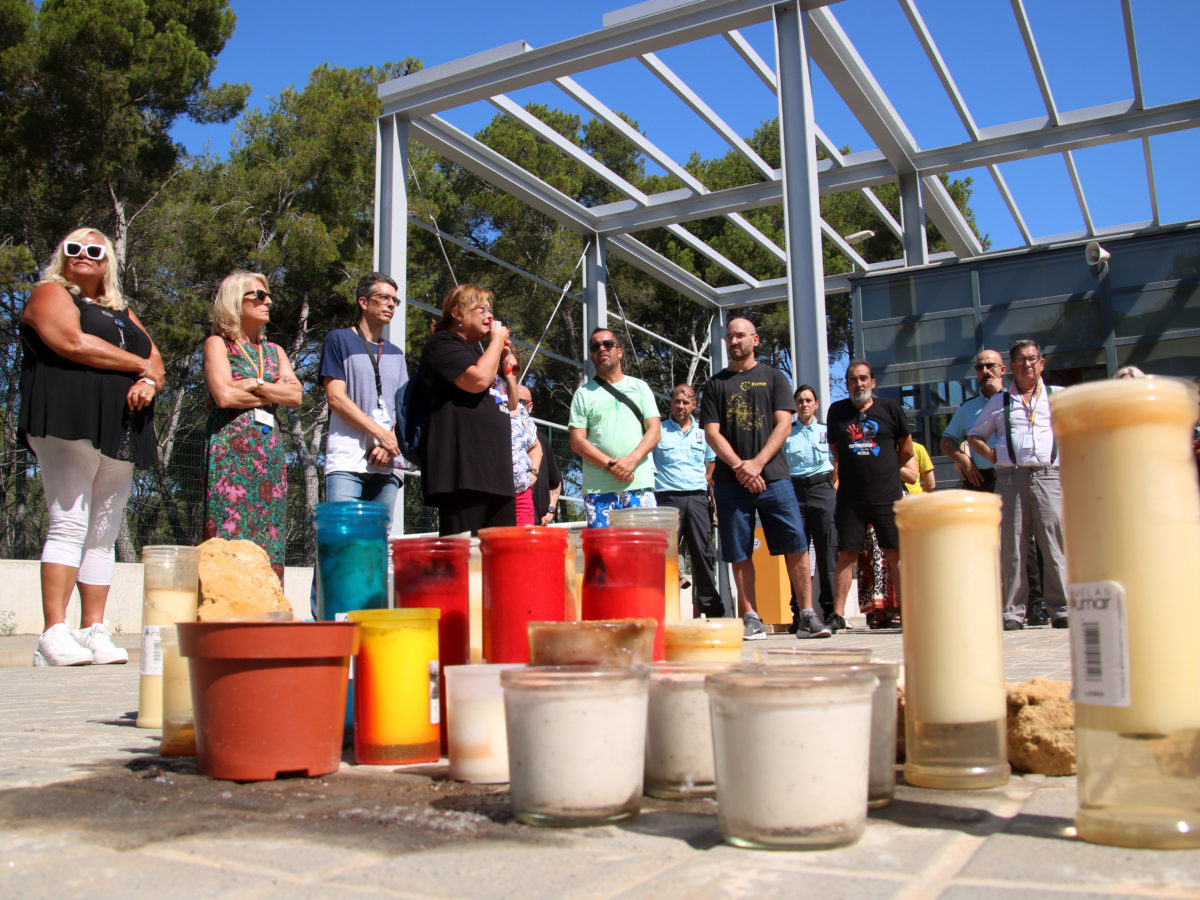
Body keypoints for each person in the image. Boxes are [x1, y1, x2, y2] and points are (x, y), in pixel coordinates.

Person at [19, 228, 164, 666]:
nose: (83, 255)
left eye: (94, 250)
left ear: (108, 263)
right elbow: (70, 341)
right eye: (74, 248)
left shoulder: (122, 310)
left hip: (120, 425)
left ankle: (93, 628)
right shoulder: (51, 292)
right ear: (61, 256)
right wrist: (140, 367)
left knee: (103, 532)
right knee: (69, 522)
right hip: (68, 418)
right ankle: (53, 632)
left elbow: (156, 360)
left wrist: (148, 378)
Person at [701, 318, 827, 640]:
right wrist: (742, 468)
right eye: (729, 337)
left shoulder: (774, 377)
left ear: (755, 340)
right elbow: (712, 433)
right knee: (739, 551)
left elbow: (784, 424)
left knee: (796, 544)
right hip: (731, 482)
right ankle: (751, 618)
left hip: (775, 478)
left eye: (740, 336)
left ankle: (807, 616)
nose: (734, 341)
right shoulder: (715, 384)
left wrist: (756, 464)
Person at [204, 272, 302, 581]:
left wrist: (254, 384)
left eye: (267, 295)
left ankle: (268, 615)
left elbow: (295, 395)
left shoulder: (275, 352)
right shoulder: (218, 344)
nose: (268, 301)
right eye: (258, 295)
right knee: (227, 532)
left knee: (269, 532)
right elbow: (223, 395)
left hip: (269, 454)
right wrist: (272, 390)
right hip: (231, 454)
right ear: (235, 301)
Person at [968, 339, 1069, 630]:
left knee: (1054, 543)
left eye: (1032, 358)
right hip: (1010, 477)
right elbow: (975, 435)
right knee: (1012, 545)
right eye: (1021, 360)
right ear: (1011, 367)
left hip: (1049, 474)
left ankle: (1061, 608)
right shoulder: (1000, 402)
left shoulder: (1057, 397)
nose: (1027, 364)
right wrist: (995, 455)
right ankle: (1013, 611)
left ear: (1042, 363)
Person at [418, 284, 515, 535]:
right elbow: (477, 381)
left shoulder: (476, 354)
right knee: (463, 559)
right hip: (465, 474)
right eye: (481, 309)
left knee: (501, 559)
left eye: (490, 310)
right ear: (459, 313)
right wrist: (495, 342)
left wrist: (502, 360)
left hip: (496, 474)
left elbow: (511, 404)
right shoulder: (442, 344)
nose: (489, 316)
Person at [826, 359, 914, 633]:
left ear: (873, 383)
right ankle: (838, 615)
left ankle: (909, 613)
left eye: (863, 378)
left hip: (887, 497)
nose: (858, 384)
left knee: (895, 553)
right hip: (851, 499)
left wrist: (884, 471)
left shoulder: (890, 409)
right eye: (853, 379)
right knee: (846, 555)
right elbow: (837, 451)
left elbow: (907, 450)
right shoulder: (837, 411)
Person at [317, 273, 409, 514]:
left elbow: (405, 406)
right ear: (364, 302)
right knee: (344, 540)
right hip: (347, 461)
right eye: (384, 298)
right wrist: (381, 433)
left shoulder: (397, 354)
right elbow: (335, 398)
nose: (391, 304)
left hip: (388, 464)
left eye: (394, 301)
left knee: (377, 543)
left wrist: (392, 441)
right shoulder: (338, 340)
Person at [568, 328, 662, 527]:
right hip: (599, 491)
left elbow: (654, 431)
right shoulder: (583, 394)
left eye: (608, 344)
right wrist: (611, 466)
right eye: (596, 347)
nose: (602, 348)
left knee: (643, 553)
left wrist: (631, 461)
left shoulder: (640, 388)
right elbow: (577, 442)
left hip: (639, 486)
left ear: (619, 351)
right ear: (592, 357)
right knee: (604, 556)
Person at [653, 383, 723, 618]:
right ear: (670, 402)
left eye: (686, 402)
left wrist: (704, 492)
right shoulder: (657, 431)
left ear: (695, 404)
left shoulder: (704, 434)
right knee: (664, 557)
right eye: (676, 401)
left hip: (697, 499)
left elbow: (710, 467)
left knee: (703, 555)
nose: (680, 406)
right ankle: (662, 611)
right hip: (666, 500)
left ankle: (711, 609)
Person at [782, 384, 838, 626]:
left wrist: (831, 490)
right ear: (795, 406)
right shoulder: (785, 433)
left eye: (808, 400)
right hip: (794, 492)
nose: (804, 404)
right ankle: (799, 613)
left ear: (816, 404)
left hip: (823, 489)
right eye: (800, 401)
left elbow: (837, 464)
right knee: (796, 552)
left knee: (827, 553)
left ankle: (831, 612)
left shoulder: (827, 431)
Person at [940, 349, 1006, 492]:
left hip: (1014, 476)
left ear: (1003, 370)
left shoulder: (1015, 402)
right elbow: (946, 442)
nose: (985, 371)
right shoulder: (968, 407)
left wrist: (1000, 394)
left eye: (990, 366)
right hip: (982, 480)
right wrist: (964, 460)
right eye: (979, 367)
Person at [505, 351, 542, 526]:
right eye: (504, 366)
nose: (508, 372)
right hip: (492, 491)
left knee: (523, 546)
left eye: (514, 368)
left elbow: (536, 446)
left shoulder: (521, 411)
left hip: (521, 493)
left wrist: (533, 472)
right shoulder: (486, 399)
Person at [518, 385, 563, 526]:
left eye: (520, 402)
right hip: (509, 519)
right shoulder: (497, 435)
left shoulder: (542, 440)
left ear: (529, 406)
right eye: (509, 401)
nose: (515, 406)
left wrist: (550, 511)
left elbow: (555, 481)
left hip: (539, 521)